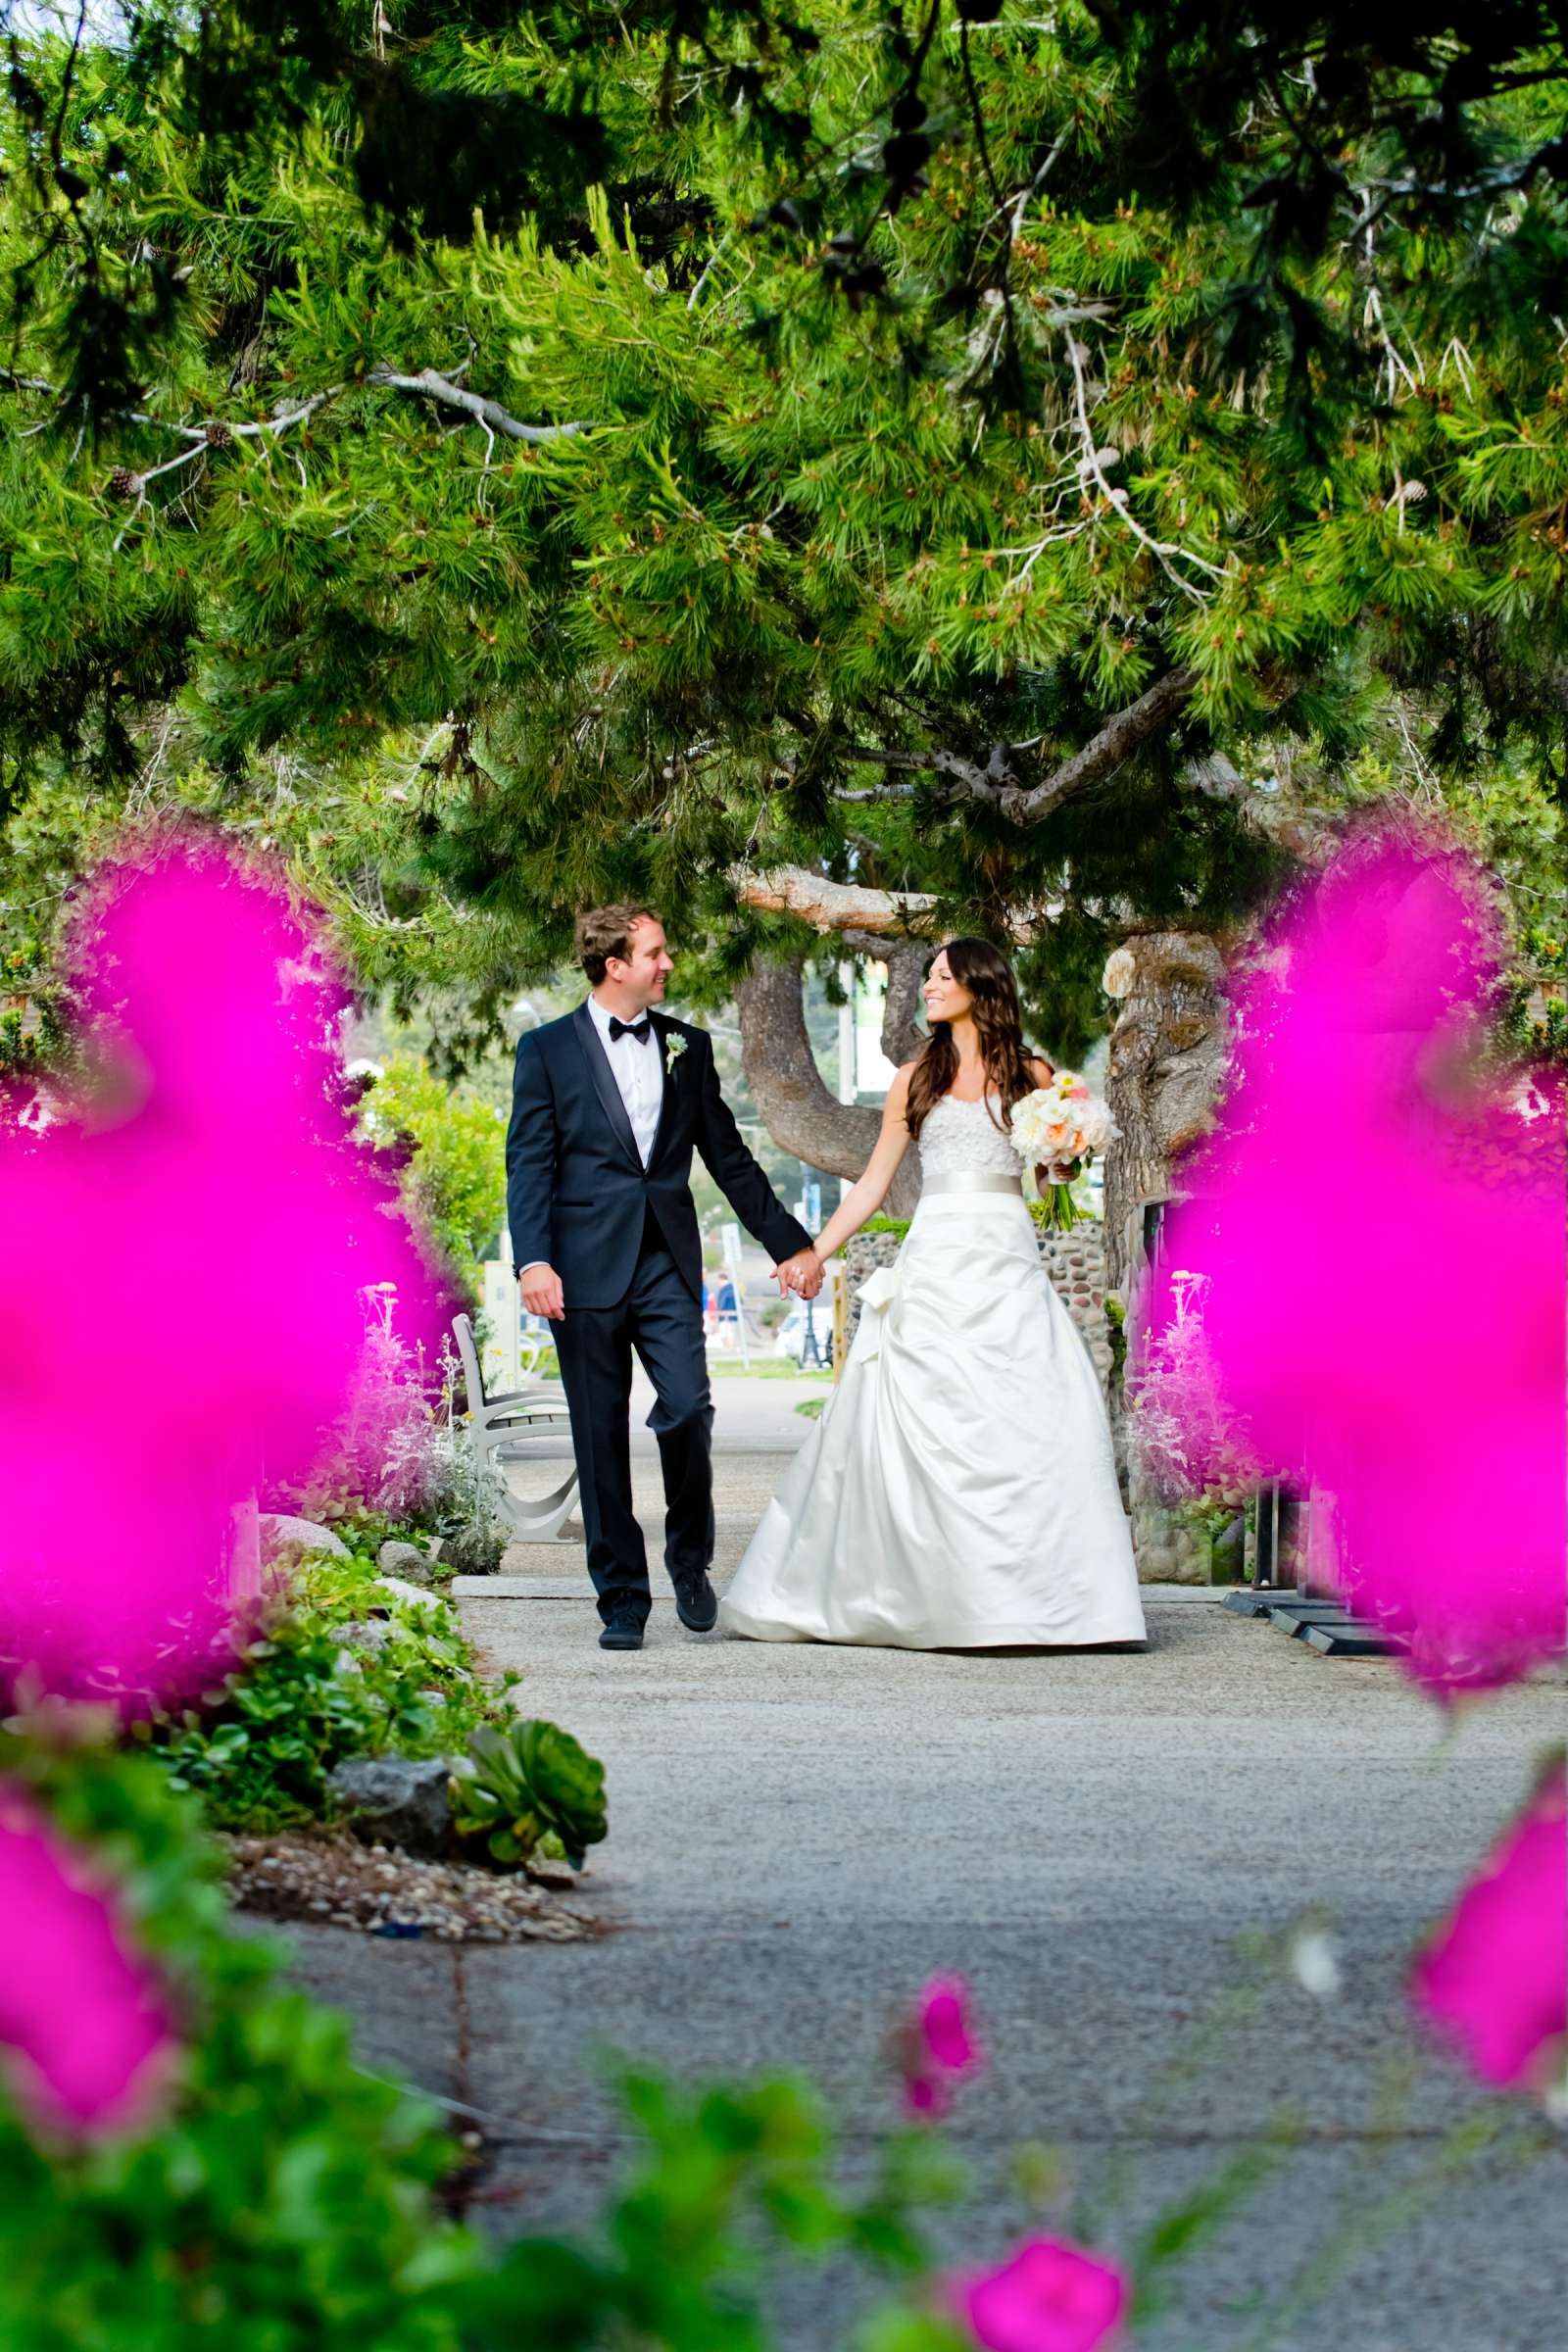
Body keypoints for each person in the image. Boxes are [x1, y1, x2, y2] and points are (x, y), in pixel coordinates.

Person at [720, 939, 1147, 1651]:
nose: (928, 986)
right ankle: (932, 1594)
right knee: (928, 1412)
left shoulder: (1034, 1075)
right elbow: (874, 1181)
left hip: (1005, 1253)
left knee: (1027, 1413)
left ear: (981, 985)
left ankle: (1049, 1603)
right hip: (938, 1253)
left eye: (942, 976)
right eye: (929, 977)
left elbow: (1046, 1180)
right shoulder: (915, 1078)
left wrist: (1065, 1160)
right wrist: (814, 1252)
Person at [507, 905, 821, 1651]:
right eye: (656, 952)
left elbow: (730, 1161)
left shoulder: (688, 1047)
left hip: (665, 1265)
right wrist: (533, 1259)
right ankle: (621, 1597)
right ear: (615, 964)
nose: (667, 963)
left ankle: (689, 1563)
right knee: (598, 1436)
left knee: (686, 1408)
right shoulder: (546, 1050)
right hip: (578, 1274)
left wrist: (792, 1246)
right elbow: (529, 1162)